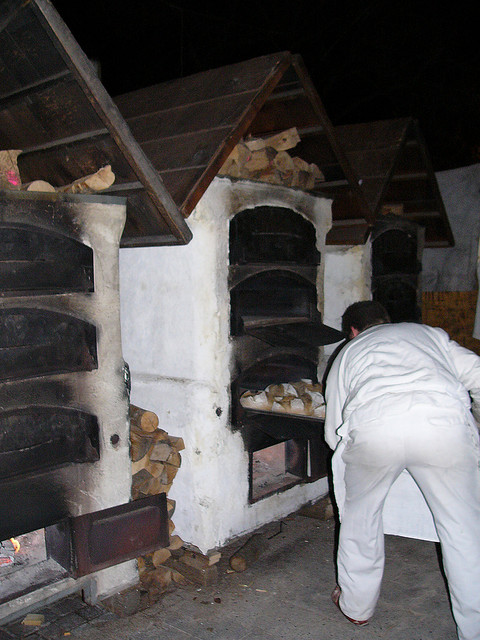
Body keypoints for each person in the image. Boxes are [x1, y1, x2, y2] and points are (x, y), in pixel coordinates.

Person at [324, 300, 480, 640]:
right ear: (387, 320)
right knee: (464, 532)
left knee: (360, 521)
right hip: (443, 424)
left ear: (352, 331)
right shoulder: (429, 335)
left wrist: (354, 466)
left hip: (375, 426)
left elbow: (334, 426)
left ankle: (356, 608)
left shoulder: (349, 352)